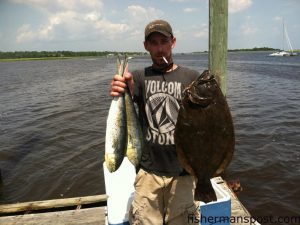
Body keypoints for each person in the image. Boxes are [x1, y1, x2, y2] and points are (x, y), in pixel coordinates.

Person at [110, 19, 200, 225]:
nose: (160, 49)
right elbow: (129, 93)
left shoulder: (192, 77)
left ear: (173, 42)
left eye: (164, 42)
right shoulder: (140, 77)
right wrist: (121, 86)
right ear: (146, 46)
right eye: (154, 43)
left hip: (184, 173)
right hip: (148, 173)